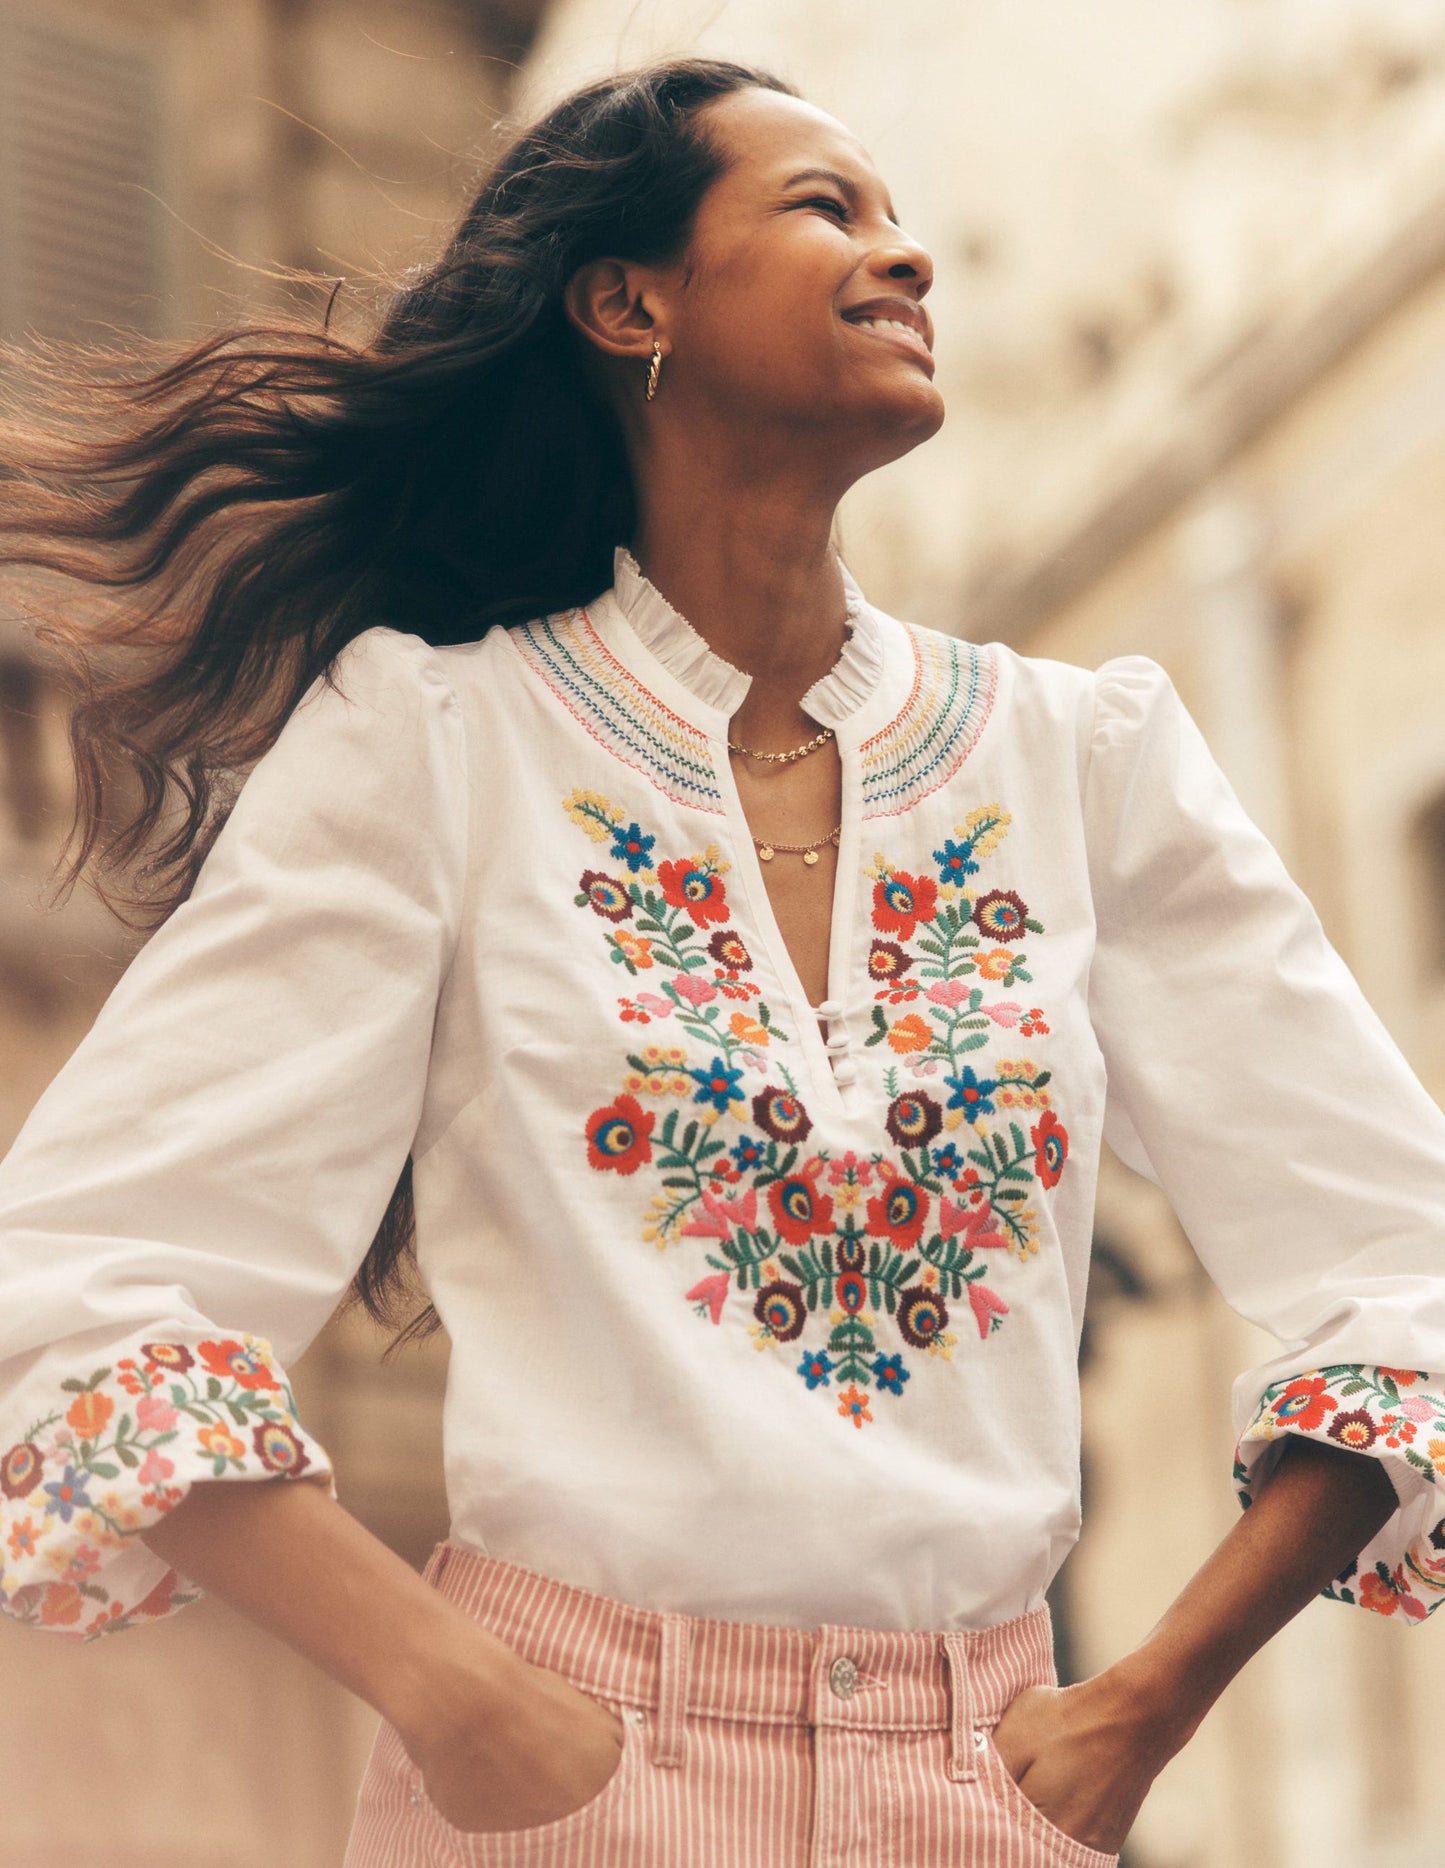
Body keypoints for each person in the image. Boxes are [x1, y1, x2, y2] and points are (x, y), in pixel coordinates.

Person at [1, 53, 1442, 1867]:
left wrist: (1144, 1704)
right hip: (569, 1779)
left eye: (905, 222)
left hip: (989, 1785)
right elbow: (80, 1287)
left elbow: (1407, 1265)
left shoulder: (1080, 760)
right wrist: (457, 1696)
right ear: (629, 301)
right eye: (827, 209)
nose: (905, 257)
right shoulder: (442, 740)